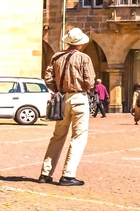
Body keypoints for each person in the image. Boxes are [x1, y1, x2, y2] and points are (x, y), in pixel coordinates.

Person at [39, 28, 95, 186]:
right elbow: (90, 81)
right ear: (80, 44)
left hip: (62, 98)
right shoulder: (84, 58)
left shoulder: (56, 56)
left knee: (57, 136)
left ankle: (45, 173)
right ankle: (68, 175)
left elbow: (48, 77)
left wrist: (57, 89)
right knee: (78, 137)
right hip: (78, 97)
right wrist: (83, 87)